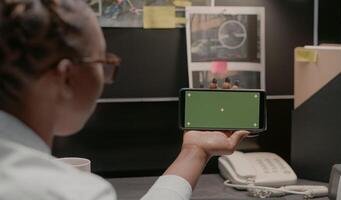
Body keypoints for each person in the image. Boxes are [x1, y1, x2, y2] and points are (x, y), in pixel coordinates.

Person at [0, 0, 249, 199]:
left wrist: (195, 151)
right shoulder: (68, 192)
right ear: (66, 77)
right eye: (104, 63)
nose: (106, 79)